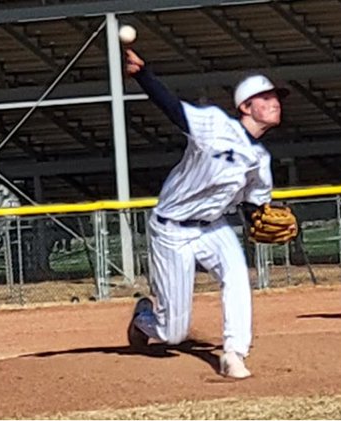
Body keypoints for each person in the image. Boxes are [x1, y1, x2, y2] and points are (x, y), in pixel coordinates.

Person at [122, 48, 286, 379]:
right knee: (172, 333)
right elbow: (173, 110)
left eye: (276, 97)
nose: (274, 102)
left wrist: (259, 218)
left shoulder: (260, 159)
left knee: (238, 276)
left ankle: (234, 353)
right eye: (265, 97)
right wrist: (143, 75)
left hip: (213, 227)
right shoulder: (214, 125)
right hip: (172, 230)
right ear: (245, 107)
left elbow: (254, 203)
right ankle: (143, 316)